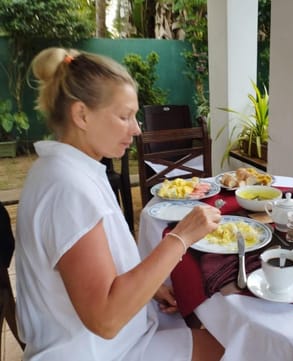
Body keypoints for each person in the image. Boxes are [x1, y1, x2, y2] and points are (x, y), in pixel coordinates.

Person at [15, 47, 224, 361]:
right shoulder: (67, 188)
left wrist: (151, 288)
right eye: (124, 116)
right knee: (234, 347)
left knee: (205, 321)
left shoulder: (67, 168)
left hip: (111, 339)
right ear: (81, 115)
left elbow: (98, 265)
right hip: (96, 351)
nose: (137, 129)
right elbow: (106, 319)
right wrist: (181, 237)